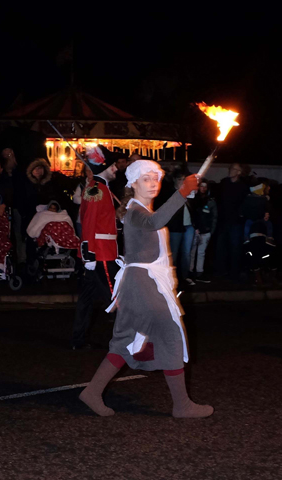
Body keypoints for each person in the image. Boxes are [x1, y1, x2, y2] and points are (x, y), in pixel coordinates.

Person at [78, 159, 212, 418]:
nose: (153, 183)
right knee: (171, 334)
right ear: (133, 183)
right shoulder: (135, 211)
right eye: (146, 179)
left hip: (141, 284)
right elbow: (155, 222)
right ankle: (182, 405)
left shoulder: (138, 210)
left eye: (156, 178)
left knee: (126, 340)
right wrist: (182, 191)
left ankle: (92, 392)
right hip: (143, 285)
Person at [71, 148, 121, 350]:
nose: (116, 168)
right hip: (101, 253)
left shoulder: (100, 188)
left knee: (87, 300)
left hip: (99, 252)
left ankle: (78, 340)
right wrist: (89, 253)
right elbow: (89, 222)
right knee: (117, 299)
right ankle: (130, 343)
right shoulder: (97, 189)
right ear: (105, 166)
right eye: (113, 165)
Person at [215, 163, 249, 281]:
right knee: (221, 247)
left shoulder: (243, 186)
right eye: (231, 168)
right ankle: (221, 271)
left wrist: (240, 214)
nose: (231, 171)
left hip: (236, 222)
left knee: (235, 247)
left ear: (239, 172)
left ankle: (234, 273)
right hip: (223, 220)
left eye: (234, 169)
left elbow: (245, 203)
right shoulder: (224, 183)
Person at [165, 170, 197, 286]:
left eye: (184, 179)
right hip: (175, 227)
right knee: (174, 252)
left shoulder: (189, 193)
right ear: (175, 180)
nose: (182, 182)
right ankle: (172, 277)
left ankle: (184, 276)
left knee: (186, 253)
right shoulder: (170, 193)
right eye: (180, 179)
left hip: (188, 226)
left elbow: (195, 209)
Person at [190, 181, 217, 283]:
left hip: (206, 231)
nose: (203, 188)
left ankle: (199, 273)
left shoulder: (211, 201)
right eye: (201, 186)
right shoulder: (193, 200)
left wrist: (211, 231)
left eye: (205, 187)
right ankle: (190, 272)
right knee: (191, 252)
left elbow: (214, 217)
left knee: (201, 253)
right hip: (194, 230)